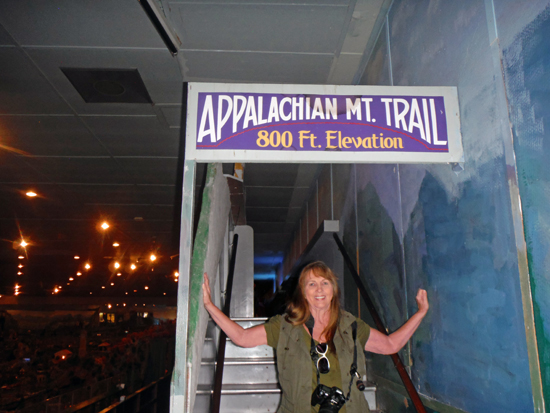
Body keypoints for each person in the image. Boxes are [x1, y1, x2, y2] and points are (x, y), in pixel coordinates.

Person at [202, 261, 429, 413]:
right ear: (303, 291)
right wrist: (210, 306)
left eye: (325, 283)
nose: (319, 289)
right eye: (312, 284)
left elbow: (390, 345)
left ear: (333, 289)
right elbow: (241, 337)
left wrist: (420, 313)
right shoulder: (284, 326)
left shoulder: (350, 325)